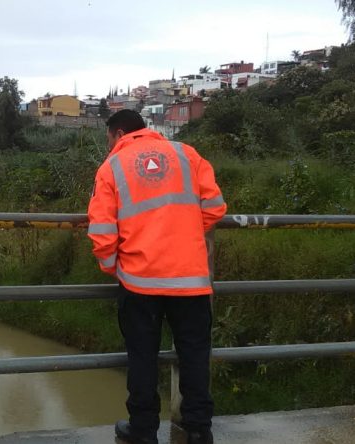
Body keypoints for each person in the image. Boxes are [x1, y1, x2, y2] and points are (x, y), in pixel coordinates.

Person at [87, 110, 226, 444]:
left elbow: (103, 232)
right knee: (194, 354)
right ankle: (197, 428)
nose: (109, 145)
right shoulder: (186, 154)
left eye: (108, 139)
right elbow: (215, 206)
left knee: (142, 357)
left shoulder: (112, 167)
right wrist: (185, 235)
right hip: (190, 279)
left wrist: (112, 267)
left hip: (139, 282)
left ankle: (144, 430)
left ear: (118, 134)